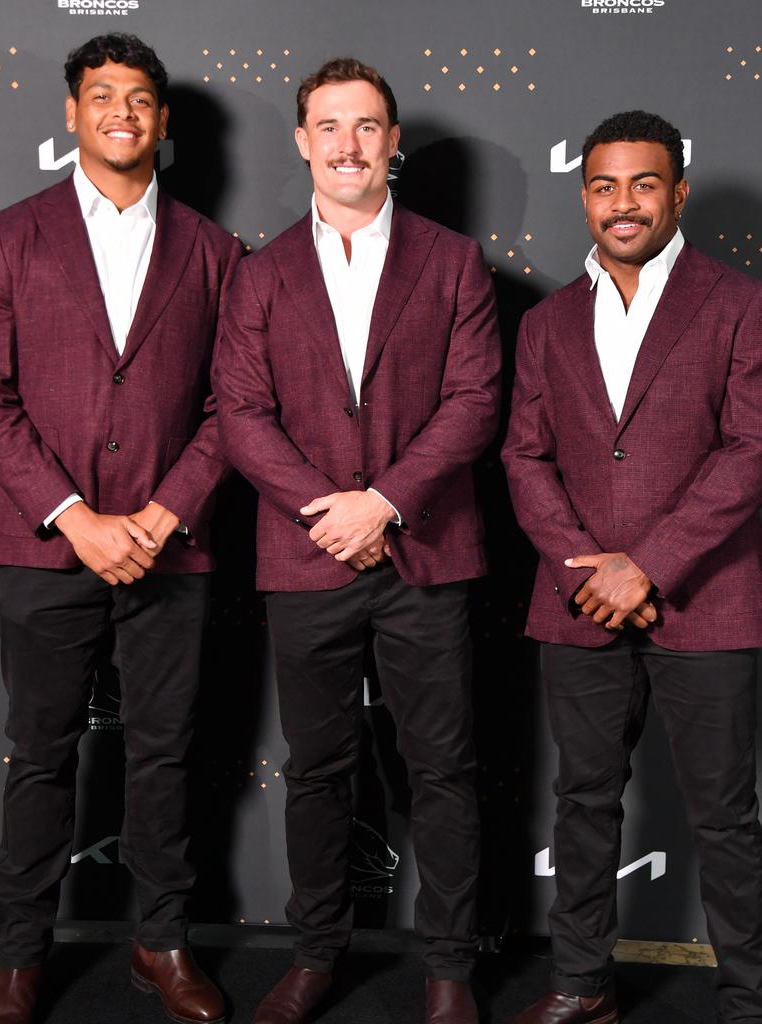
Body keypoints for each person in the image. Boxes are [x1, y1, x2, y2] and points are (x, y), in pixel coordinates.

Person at [216, 56, 501, 1024]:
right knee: (318, 768)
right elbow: (243, 416)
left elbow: (474, 401)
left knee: (445, 768)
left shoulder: (454, 260)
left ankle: (451, 965)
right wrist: (330, 511)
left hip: (428, 550)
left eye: (367, 125)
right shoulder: (258, 274)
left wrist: (382, 501)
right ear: (302, 141)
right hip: (305, 559)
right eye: (329, 126)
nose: (348, 143)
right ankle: (314, 951)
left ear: (393, 144)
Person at [0, 33, 241, 1024]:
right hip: (45, 542)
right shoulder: (10, 238)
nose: (122, 112)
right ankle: (16, 953)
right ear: (72, 114)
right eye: (102, 95)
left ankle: (162, 939)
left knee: (166, 750)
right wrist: (73, 517)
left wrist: (162, 511)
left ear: (164, 121)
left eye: (140, 98)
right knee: (41, 751)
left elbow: (234, 405)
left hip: (171, 542)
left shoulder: (215, 251)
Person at [502, 110, 762, 1024]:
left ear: (678, 191)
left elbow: (749, 451)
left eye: (644, 184)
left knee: (725, 818)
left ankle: (748, 999)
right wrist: (587, 572)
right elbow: (523, 459)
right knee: (582, 805)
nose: (624, 204)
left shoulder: (737, 303)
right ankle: (581, 986)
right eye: (605, 186)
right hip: (579, 605)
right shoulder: (545, 322)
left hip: (709, 599)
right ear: (584, 196)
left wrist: (645, 566)